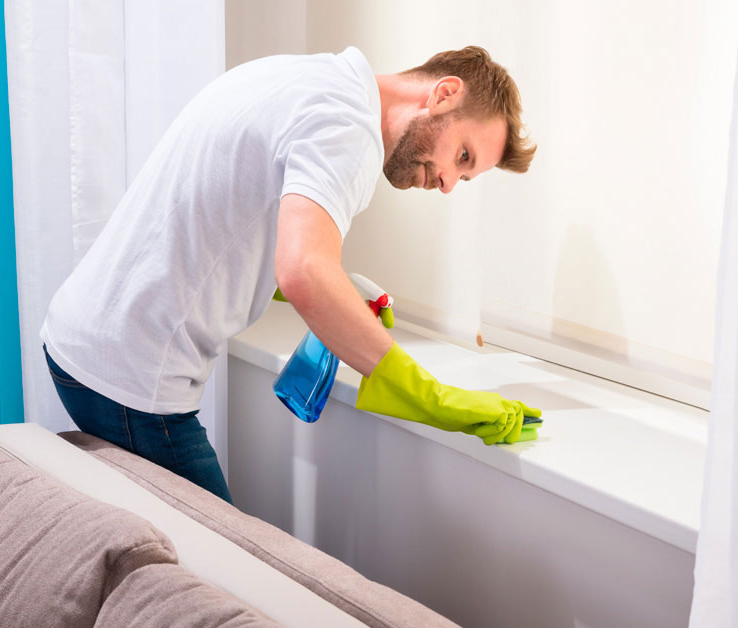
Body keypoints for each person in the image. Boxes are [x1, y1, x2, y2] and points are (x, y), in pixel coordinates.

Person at [40, 46, 542, 504]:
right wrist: (431, 398)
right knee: (225, 560)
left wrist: (342, 294)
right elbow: (303, 269)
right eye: (462, 156)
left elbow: (233, 215)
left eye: (465, 177)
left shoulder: (309, 78)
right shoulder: (350, 129)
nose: (449, 183)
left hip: (86, 336)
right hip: (130, 375)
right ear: (444, 93)